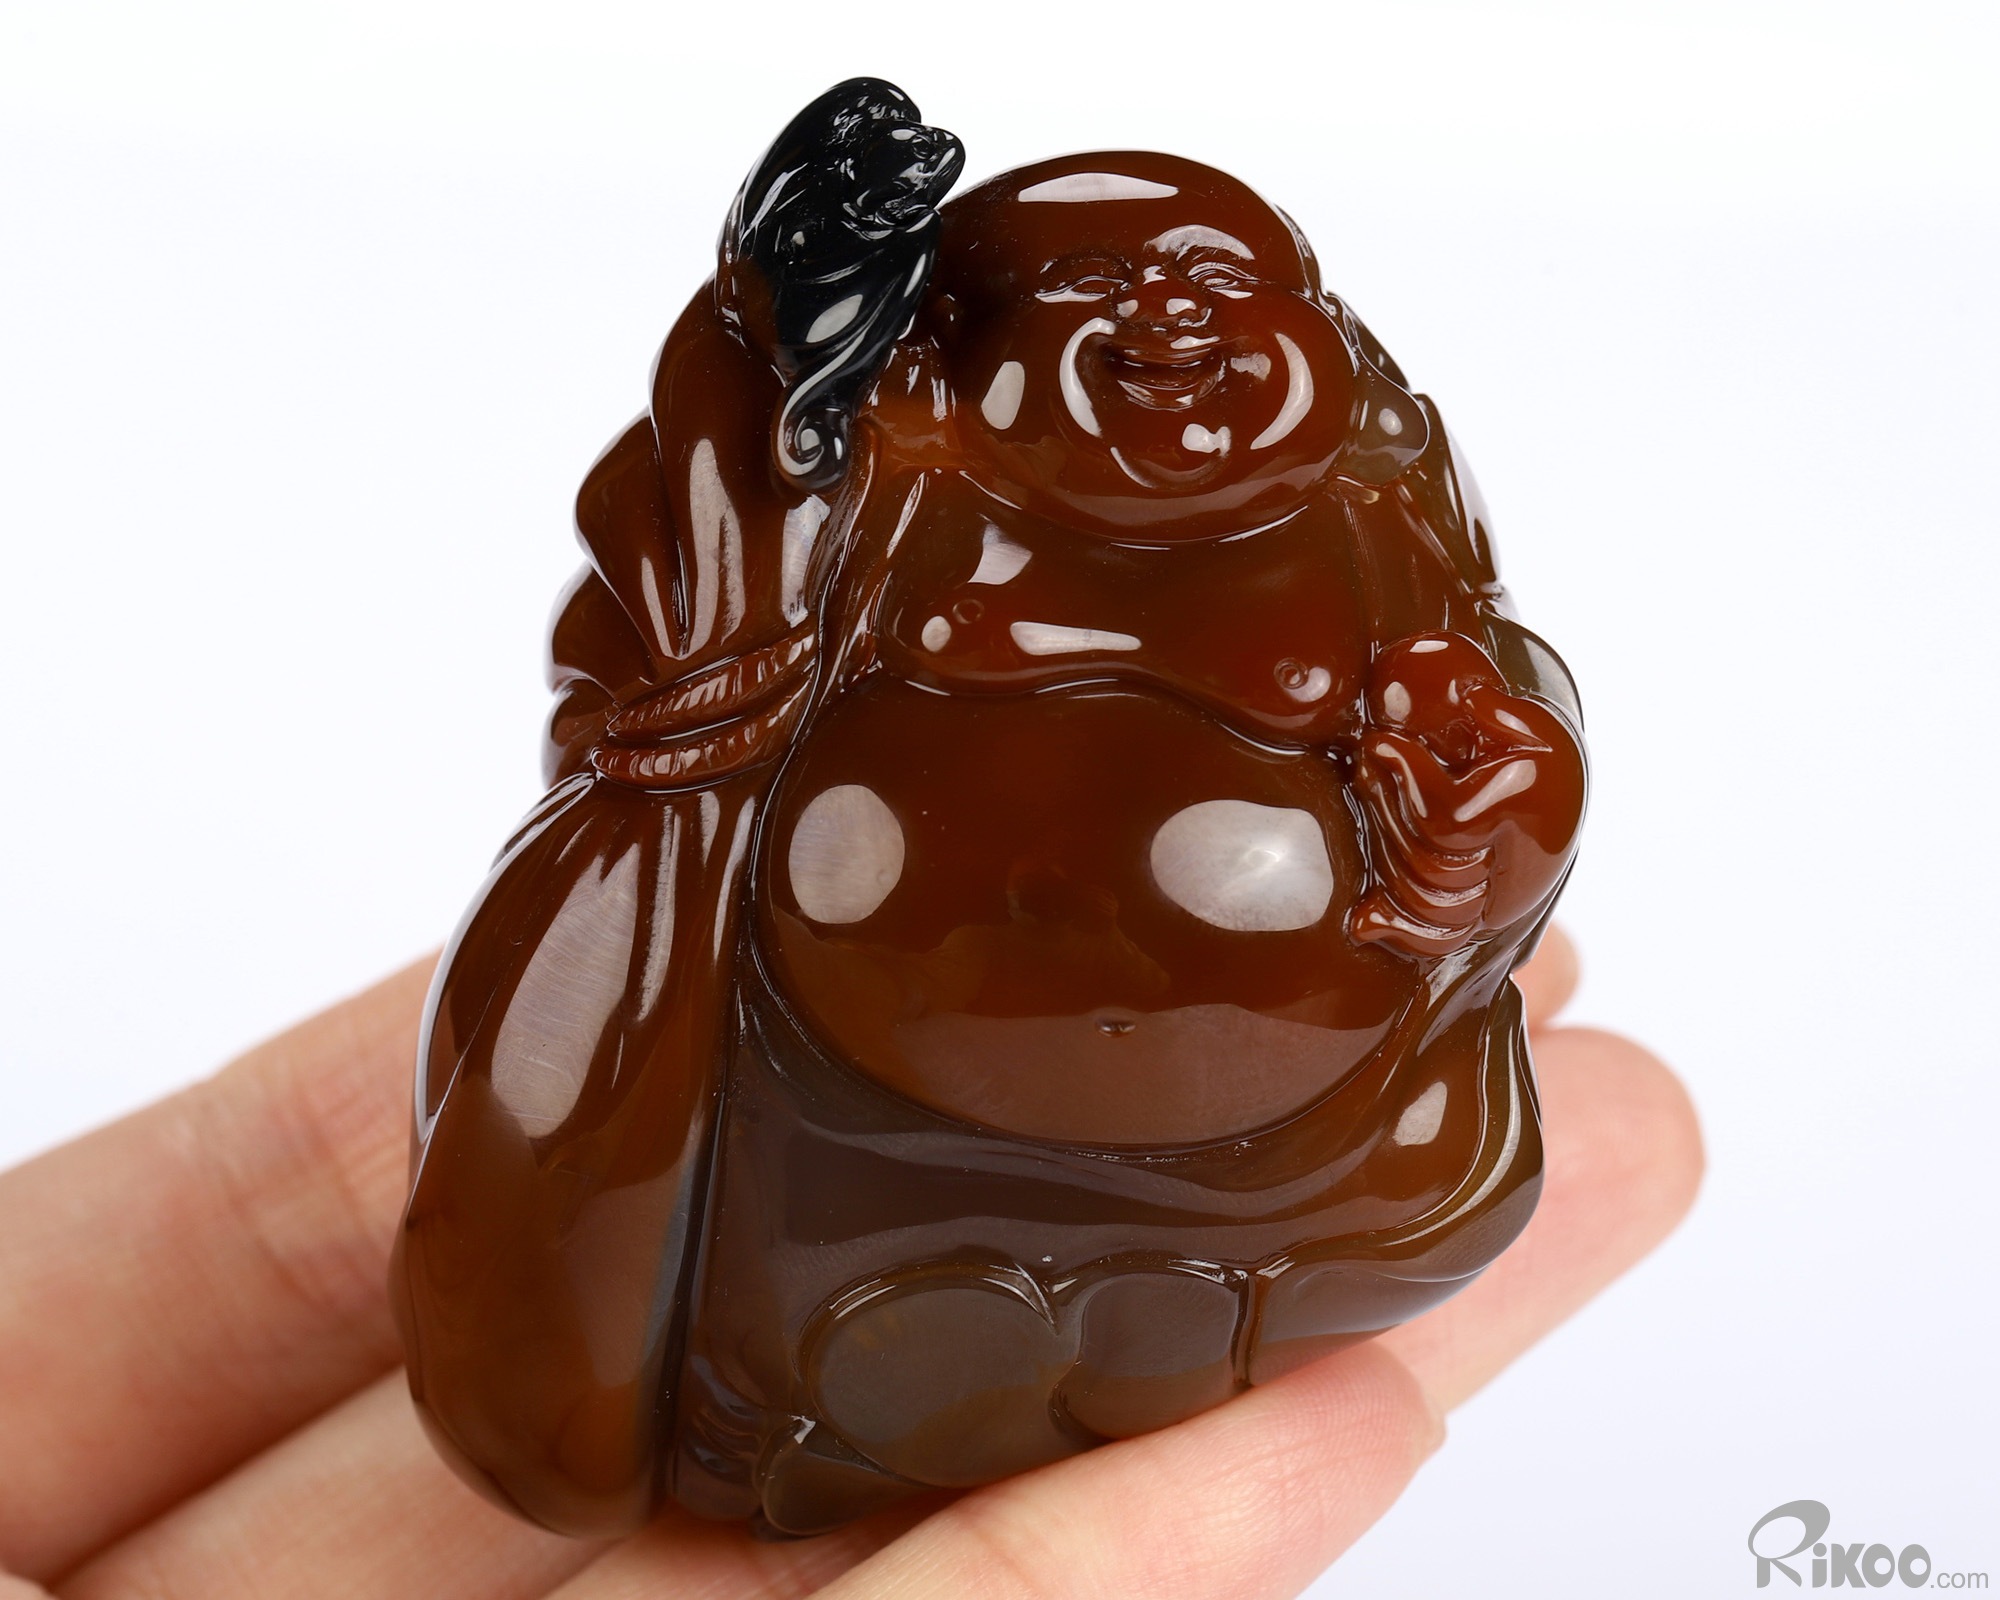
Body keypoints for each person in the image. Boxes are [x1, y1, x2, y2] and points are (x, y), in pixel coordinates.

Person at [0, 933, 1698, 1598]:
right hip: (805, 1182)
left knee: (1421, 1166)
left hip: (1208, 1146)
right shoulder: (885, 512)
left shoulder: (1356, 514)